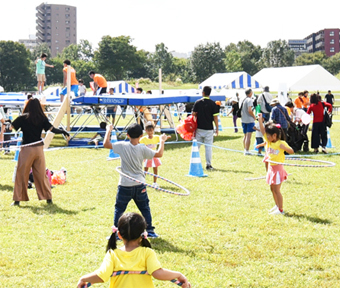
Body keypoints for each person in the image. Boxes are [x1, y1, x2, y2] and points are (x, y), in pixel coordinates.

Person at [77, 212, 191, 288]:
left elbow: (101, 276)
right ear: (143, 235)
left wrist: (83, 278)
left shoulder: (112, 255)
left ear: (119, 235)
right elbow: (158, 273)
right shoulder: (147, 253)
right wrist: (178, 274)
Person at [103, 123, 170, 238]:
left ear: (127, 135)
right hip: (139, 184)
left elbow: (106, 144)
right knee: (144, 208)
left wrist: (108, 130)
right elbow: (159, 154)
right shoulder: (142, 148)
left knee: (119, 208)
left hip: (125, 184)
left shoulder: (122, 146)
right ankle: (149, 231)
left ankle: (116, 233)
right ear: (141, 135)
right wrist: (162, 141)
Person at [10, 98, 70, 206]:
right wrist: (63, 131)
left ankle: (17, 200)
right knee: (41, 174)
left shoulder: (23, 118)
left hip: (27, 149)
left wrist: (9, 122)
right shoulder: (42, 118)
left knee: (22, 174)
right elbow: (52, 129)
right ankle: (48, 198)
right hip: (38, 149)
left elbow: (11, 127)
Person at [258, 113, 294, 215]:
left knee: (277, 190)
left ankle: (281, 209)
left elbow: (292, 151)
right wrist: (260, 120)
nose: (267, 137)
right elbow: (262, 130)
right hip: (271, 168)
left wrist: (285, 148)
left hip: (278, 169)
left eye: (268, 135)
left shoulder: (280, 143)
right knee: (272, 188)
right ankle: (277, 205)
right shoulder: (269, 142)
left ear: (274, 135)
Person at [192, 86, 220, 170]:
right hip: (209, 129)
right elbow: (215, 118)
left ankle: (195, 163)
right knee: (208, 148)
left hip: (199, 128)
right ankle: (208, 164)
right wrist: (217, 128)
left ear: (203, 92)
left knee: (196, 147)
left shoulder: (197, 102)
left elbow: (193, 114)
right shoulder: (213, 104)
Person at [140, 122, 161, 187]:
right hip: (147, 156)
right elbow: (138, 142)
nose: (150, 133)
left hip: (154, 155)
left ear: (153, 130)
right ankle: (142, 181)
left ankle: (155, 182)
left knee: (155, 168)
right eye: (148, 131)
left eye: (151, 131)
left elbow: (162, 139)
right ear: (146, 131)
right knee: (146, 168)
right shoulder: (143, 139)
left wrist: (166, 137)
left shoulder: (156, 137)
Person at [240, 89, 256, 155]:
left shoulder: (243, 99)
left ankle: (245, 149)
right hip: (249, 120)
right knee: (249, 136)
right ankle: (247, 150)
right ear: (250, 93)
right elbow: (250, 110)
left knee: (245, 135)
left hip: (243, 119)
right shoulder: (249, 100)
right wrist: (254, 116)